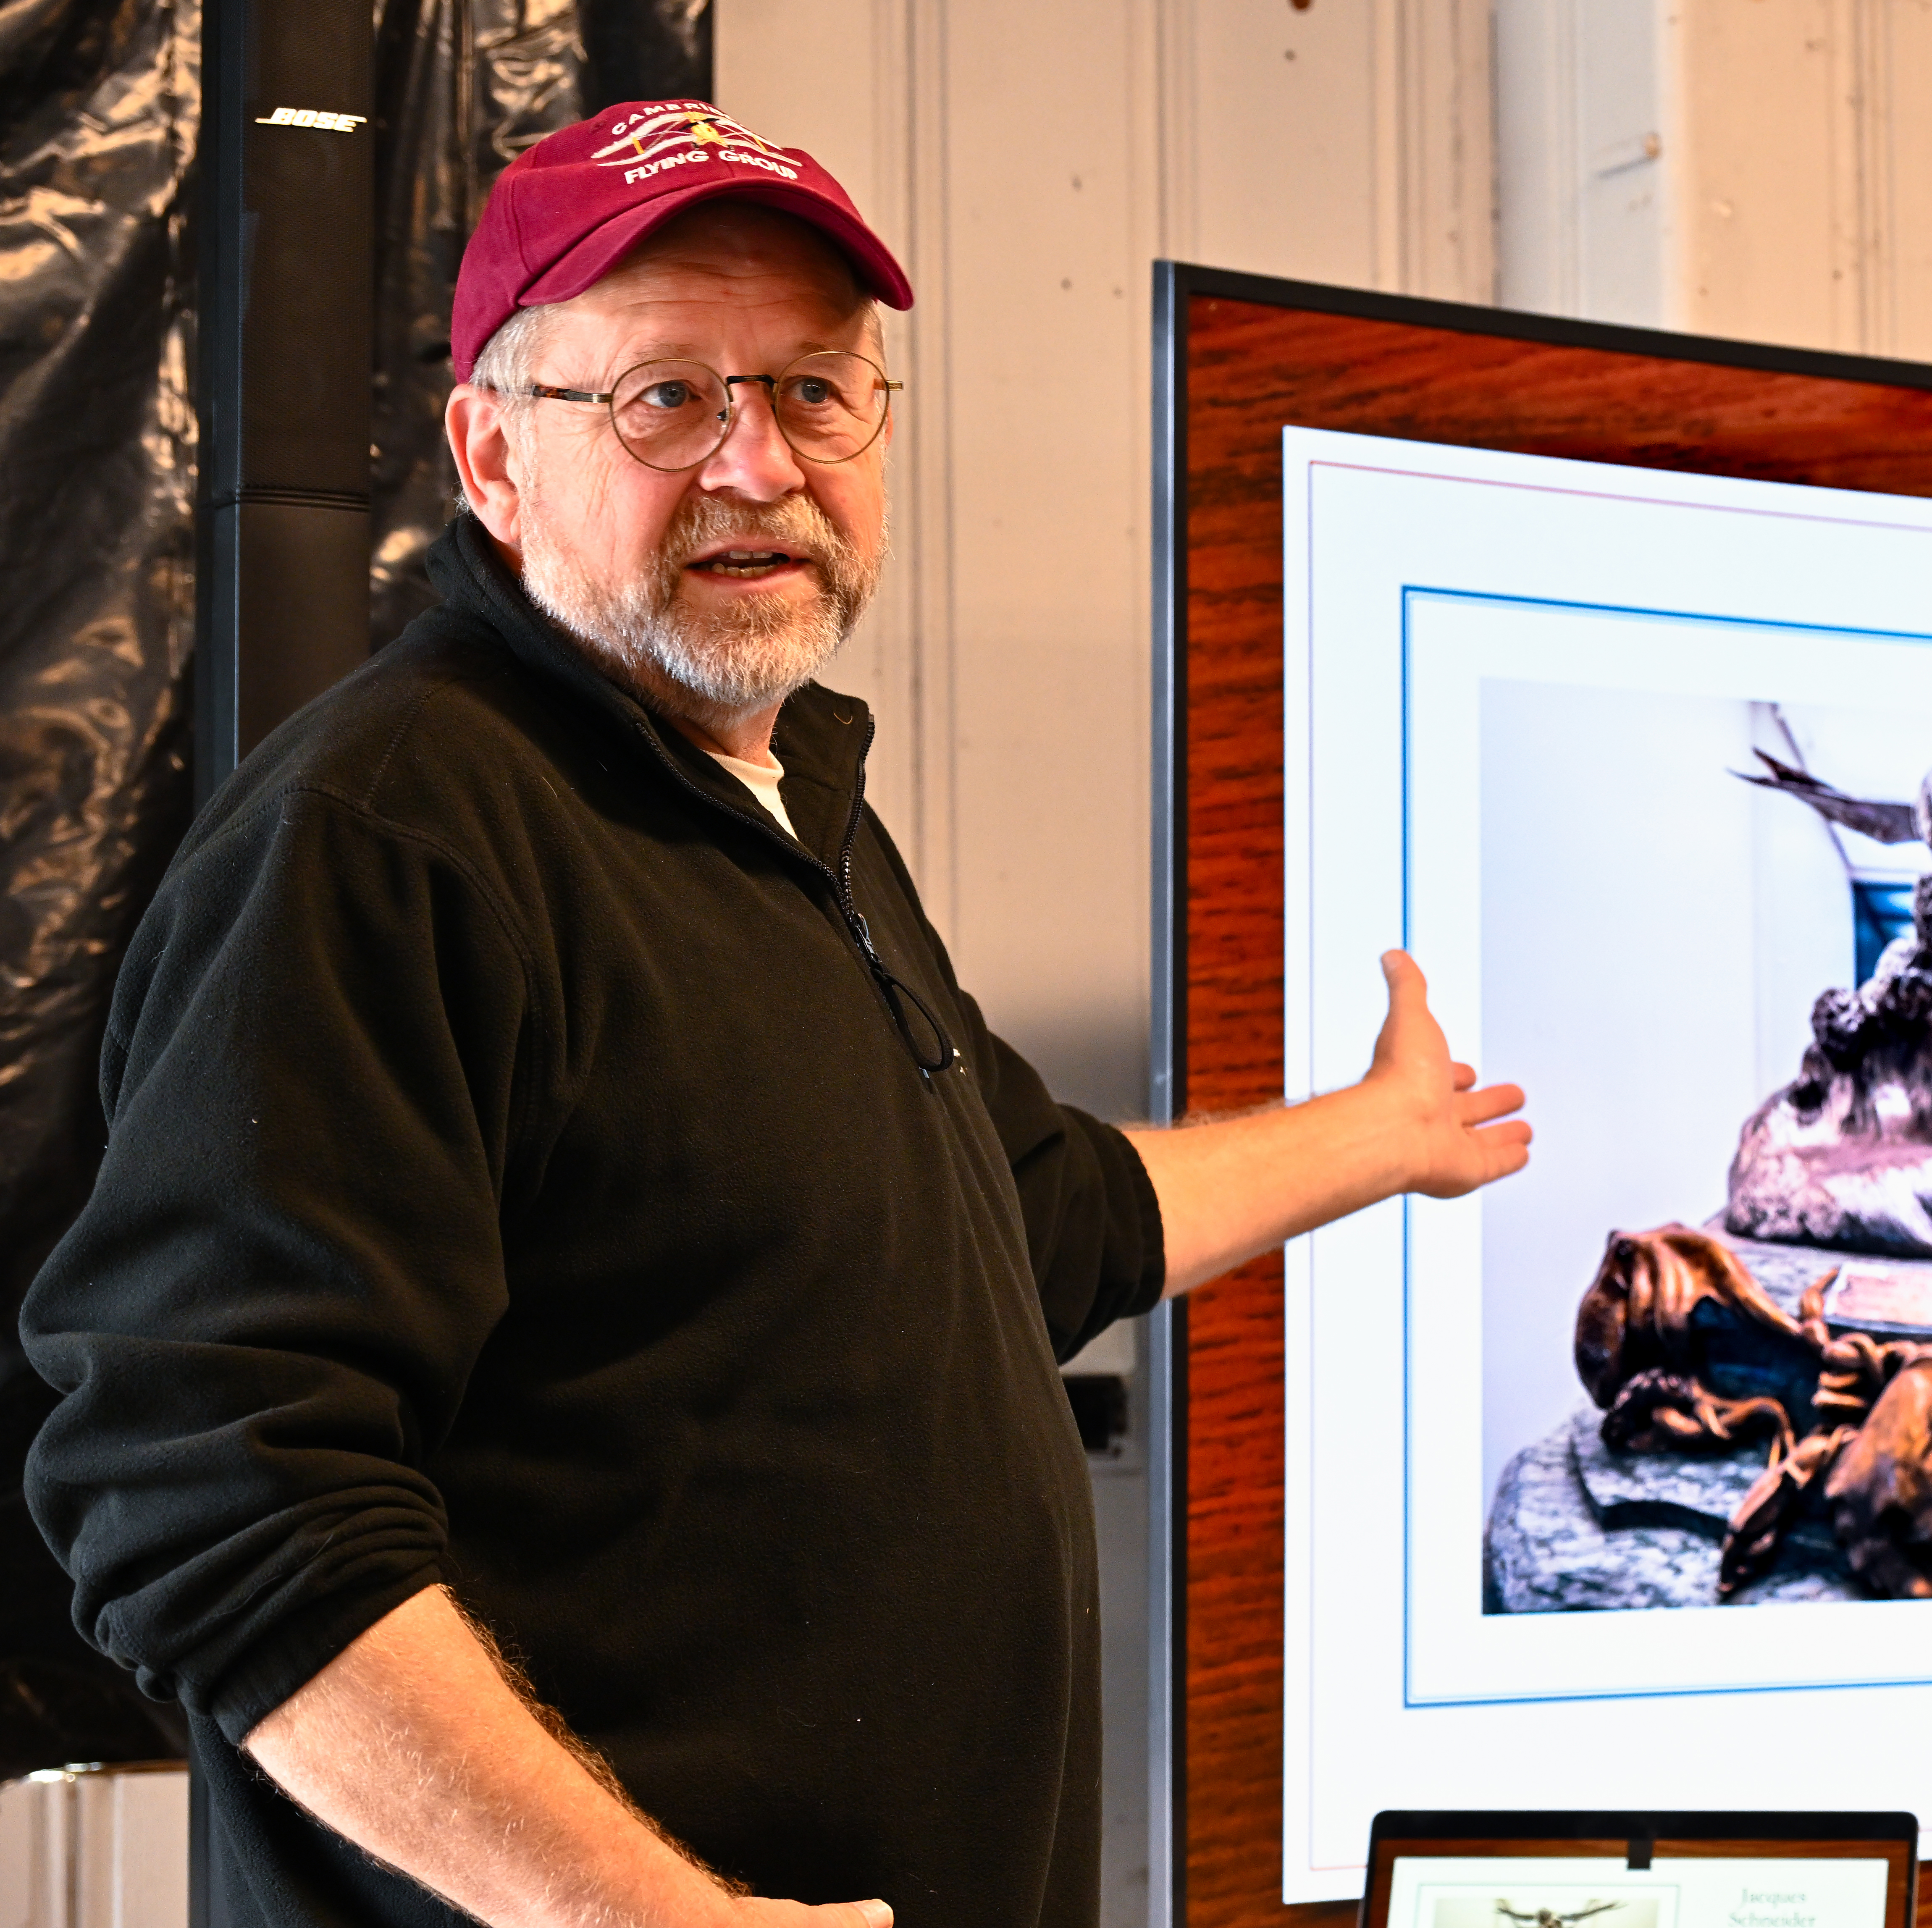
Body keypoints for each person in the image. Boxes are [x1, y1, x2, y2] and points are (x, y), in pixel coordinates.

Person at [17, 99, 1525, 1927]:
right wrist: (639, 1914)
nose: (757, 463)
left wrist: (1384, 1134)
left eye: (814, 391)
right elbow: (207, 1492)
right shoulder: (395, 834)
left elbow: (1027, 1220)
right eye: (666, 397)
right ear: (492, 456)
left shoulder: (782, 801)